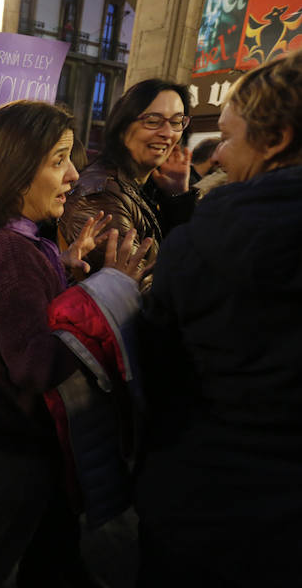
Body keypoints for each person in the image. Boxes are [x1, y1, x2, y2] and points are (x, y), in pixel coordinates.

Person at [0, 101, 149, 587]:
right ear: (15, 172)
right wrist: (106, 290)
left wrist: (63, 277)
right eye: (59, 160)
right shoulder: (12, 253)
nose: (74, 174)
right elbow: (36, 365)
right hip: (14, 444)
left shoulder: (1, 240)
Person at [135, 50, 302, 587]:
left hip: (209, 503)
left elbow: (156, 373)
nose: (220, 156)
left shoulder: (208, 244)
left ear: (275, 138)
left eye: (228, 137)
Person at [60, 79, 195, 280]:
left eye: (176, 122)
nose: (167, 133)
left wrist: (177, 198)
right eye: (152, 121)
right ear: (123, 127)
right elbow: (135, 287)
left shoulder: (149, 188)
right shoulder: (99, 194)